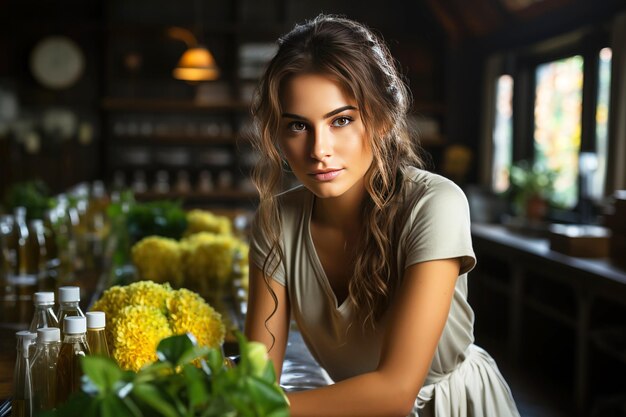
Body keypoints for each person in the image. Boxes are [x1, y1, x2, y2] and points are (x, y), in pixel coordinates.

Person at [244, 14, 521, 417]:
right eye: (298, 126)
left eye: (341, 120)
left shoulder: (434, 205)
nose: (319, 149)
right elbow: (258, 379)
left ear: (383, 118)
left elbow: (396, 392)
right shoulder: (275, 221)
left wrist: (249, 407)